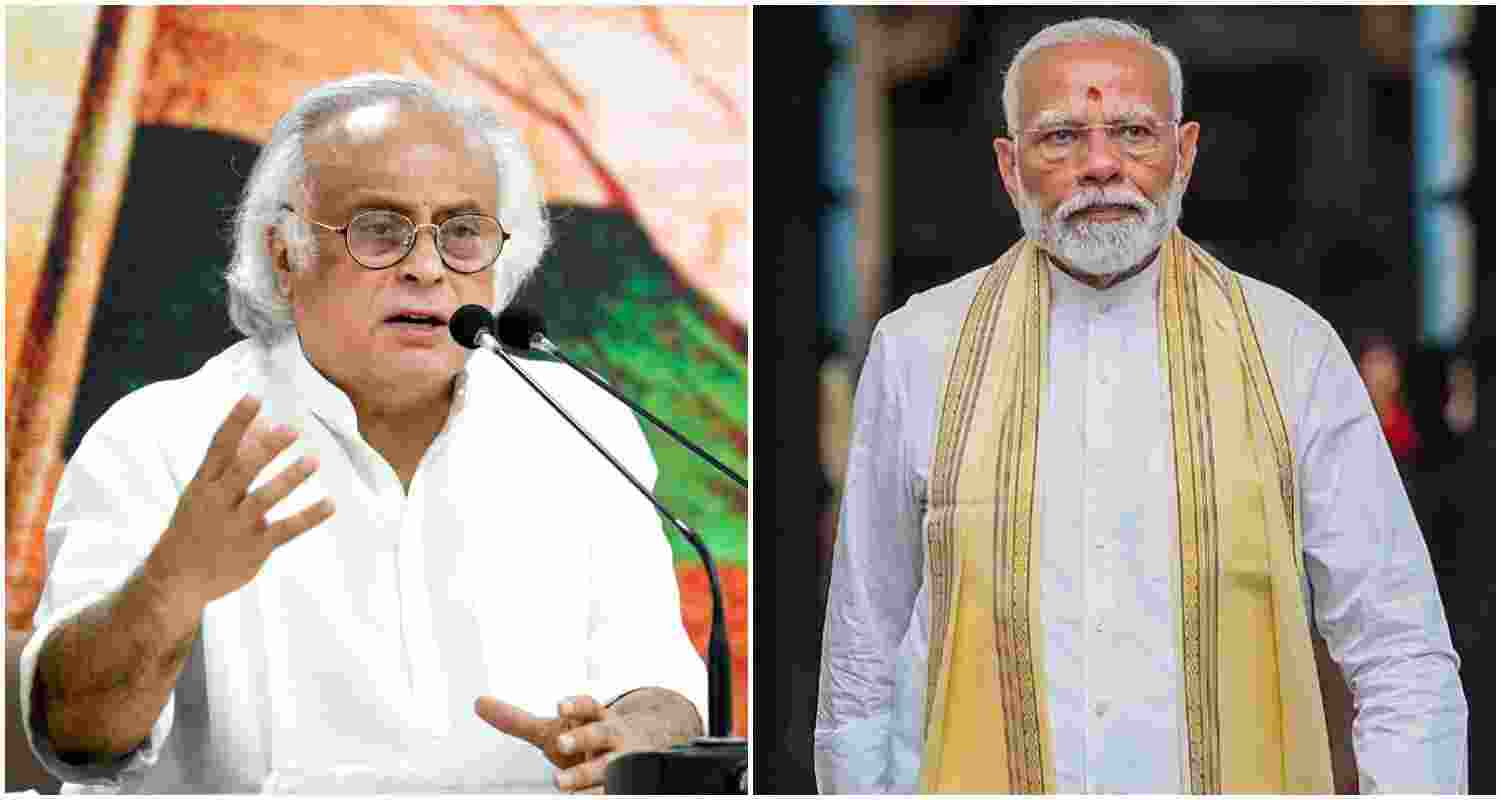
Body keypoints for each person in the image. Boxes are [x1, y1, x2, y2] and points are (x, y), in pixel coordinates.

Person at [815, 18, 1465, 794]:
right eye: (1060, 138)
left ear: (1184, 154)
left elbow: (1398, 651)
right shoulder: (918, 350)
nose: (1100, 166)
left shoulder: (1291, 351)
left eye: (1132, 133)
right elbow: (862, 658)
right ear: (1009, 166)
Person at [19, 73, 706, 793]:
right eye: (381, 229)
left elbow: (663, 690)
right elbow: (74, 737)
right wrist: (174, 583)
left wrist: (622, 741)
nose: (426, 268)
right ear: (285, 256)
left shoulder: (583, 425)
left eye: (462, 232)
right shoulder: (159, 438)